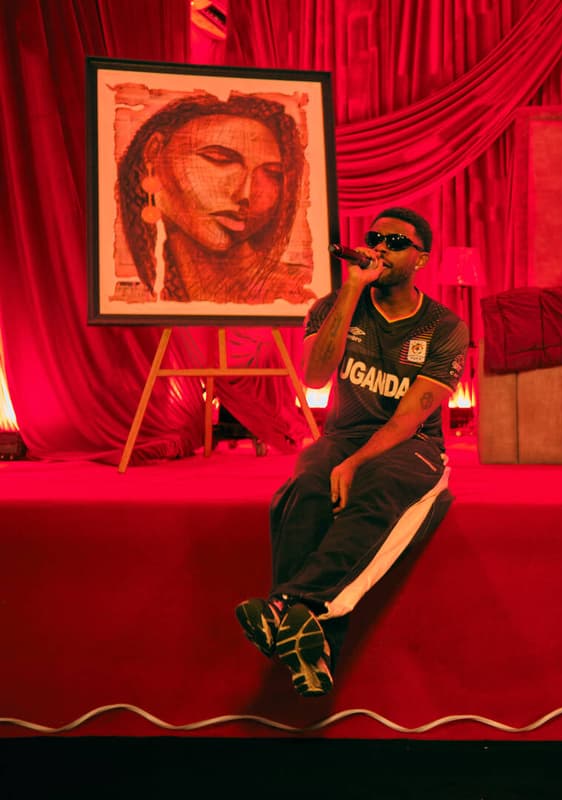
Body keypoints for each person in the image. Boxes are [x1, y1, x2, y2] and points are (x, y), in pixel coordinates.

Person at [235, 207, 468, 696]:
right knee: (305, 486)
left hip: (413, 445)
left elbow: (408, 419)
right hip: (342, 435)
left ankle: (285, 604)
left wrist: (357, 462)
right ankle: (311, 645)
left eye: (395, 242)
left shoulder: (444, 326)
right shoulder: (333, 306)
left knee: (374, 484)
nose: (380, 247)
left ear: (420, 259)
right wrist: (351, 291)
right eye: (374, 237)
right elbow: (315, 375)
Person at [117, 92, 312, 305]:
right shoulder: (133, 281)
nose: (245, 194)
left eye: (271, 173)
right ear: (154, 152)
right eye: (220, 159)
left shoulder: (294, 292)